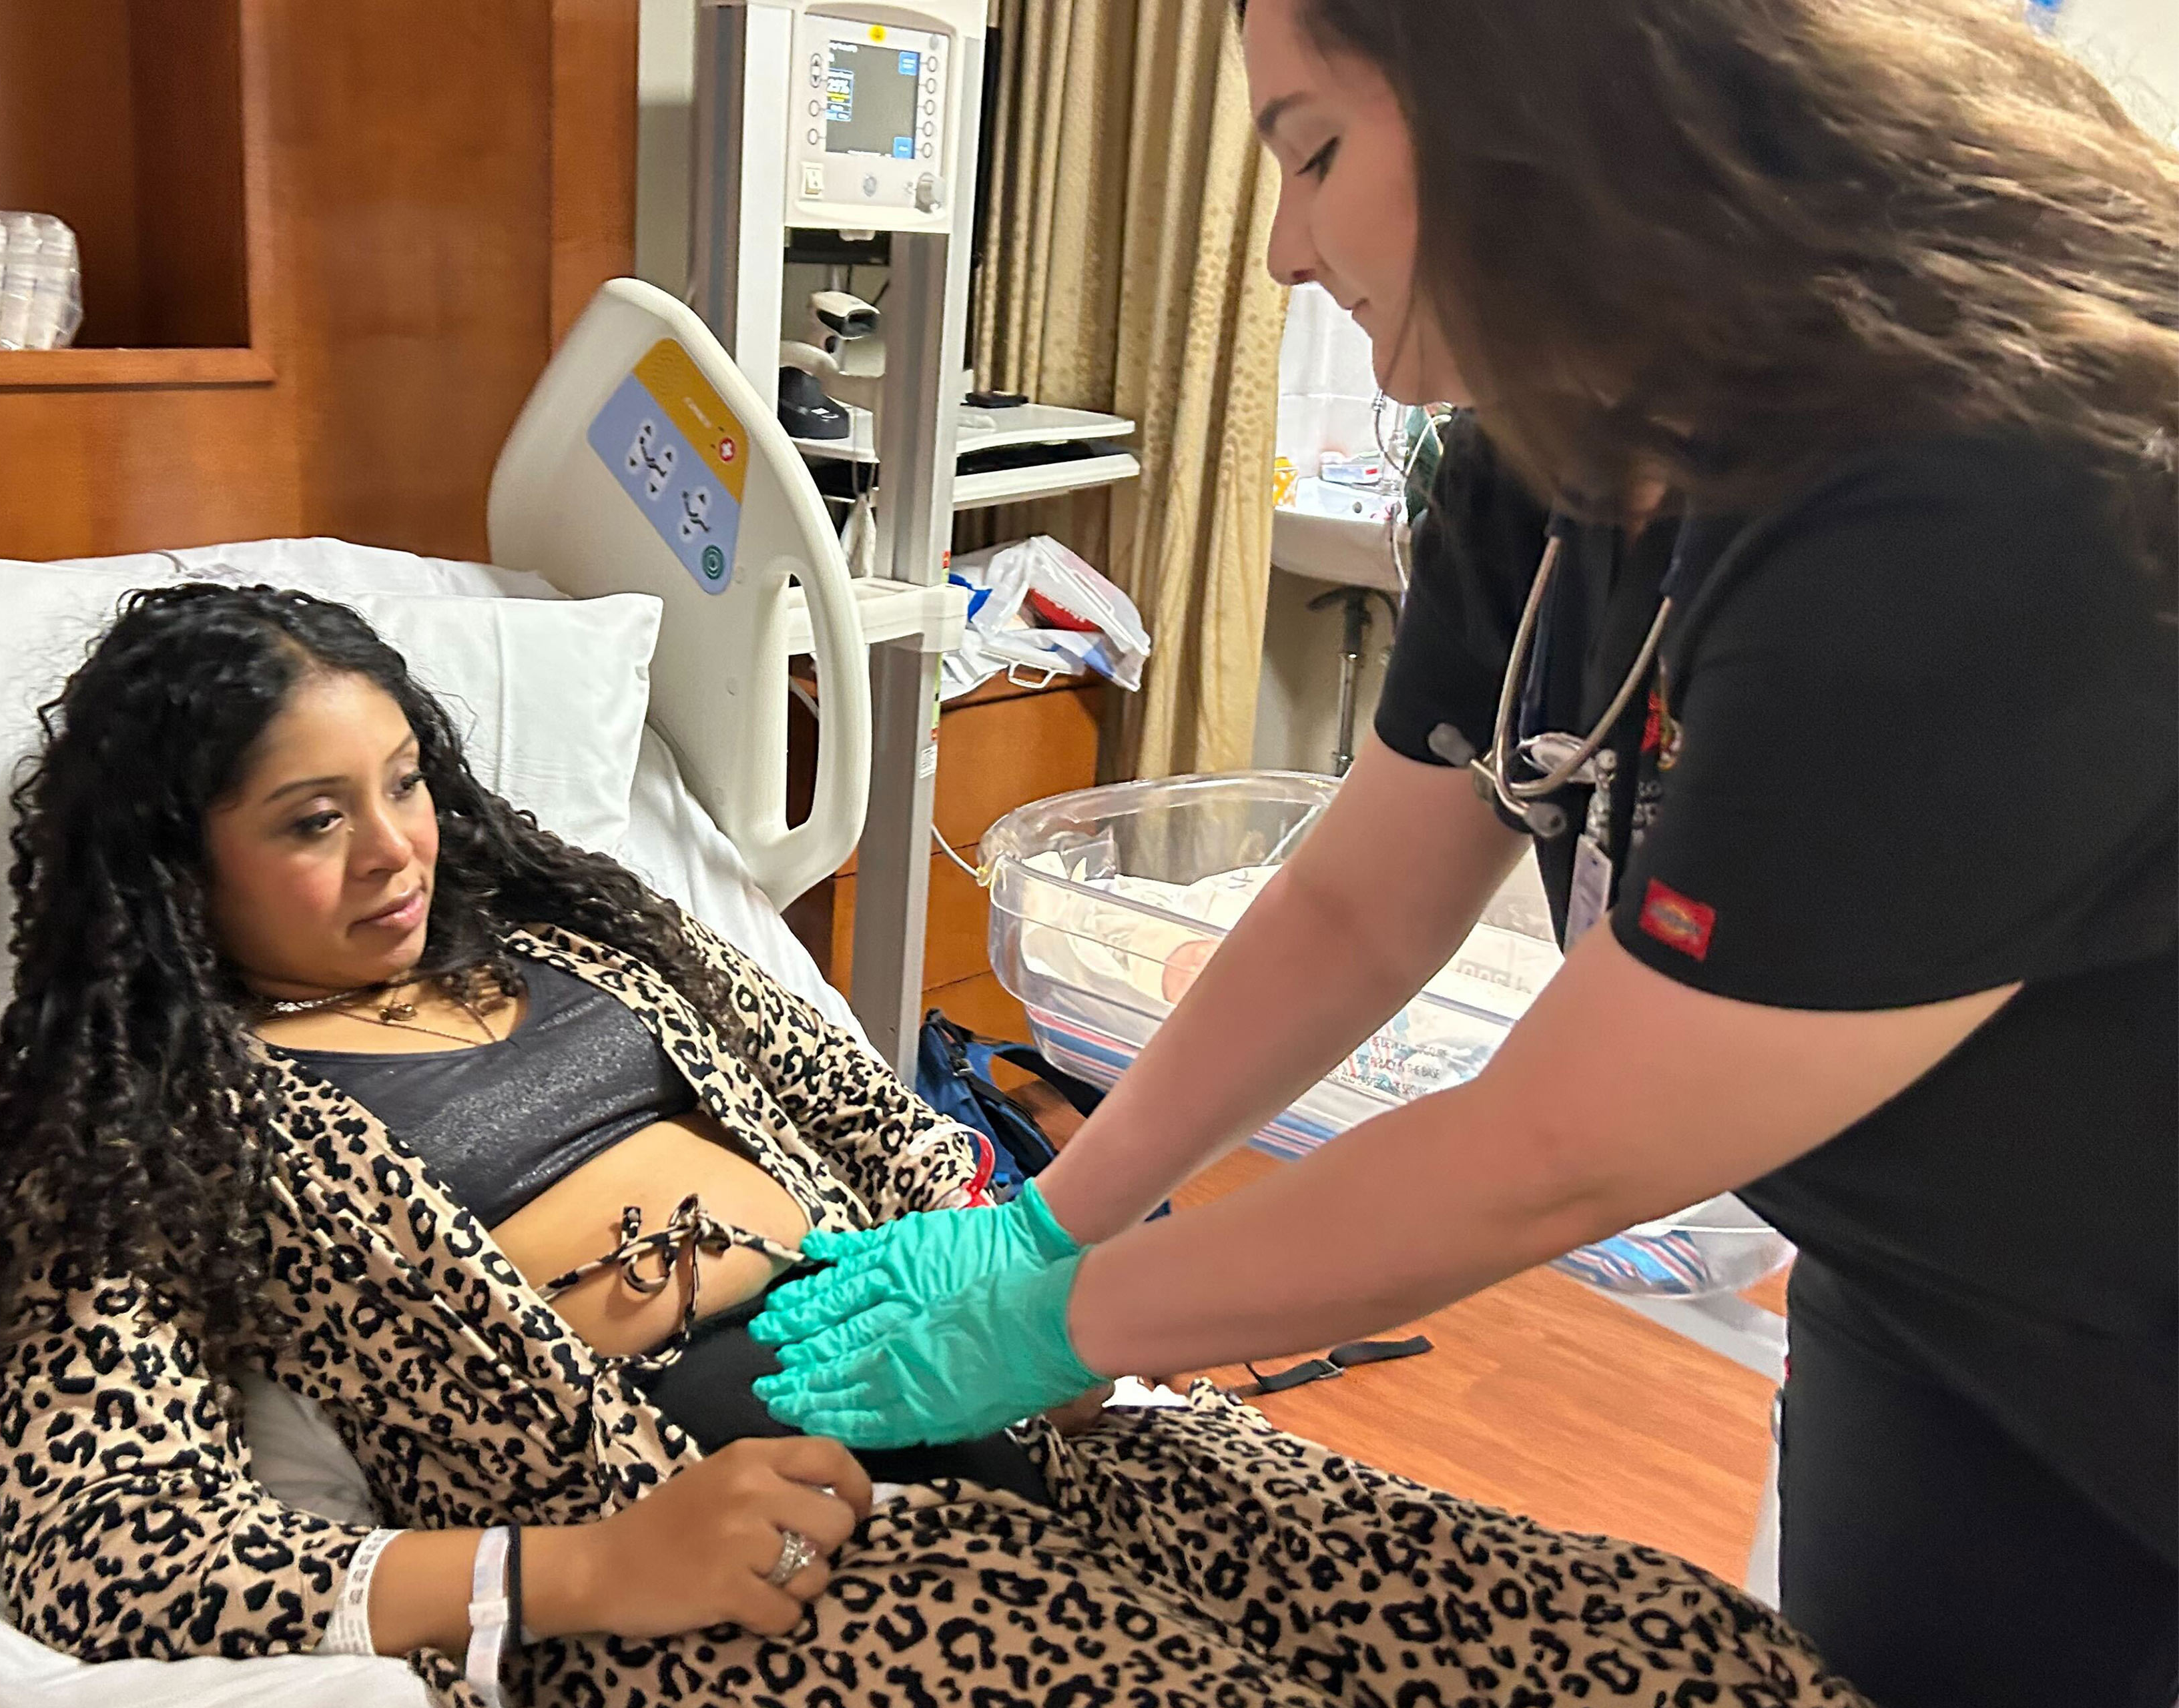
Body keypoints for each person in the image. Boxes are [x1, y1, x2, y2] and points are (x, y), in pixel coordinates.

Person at [749, 4, 2179, 1707]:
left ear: (1541, 93)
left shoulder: (1995, 483)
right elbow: (1362, 900)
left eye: (1313, 151)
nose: (1282, 250)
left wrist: (1064, 1324)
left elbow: (1558, 1148)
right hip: (1927, 1289)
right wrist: (1054, 1218)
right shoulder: (1551, 447)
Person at [0, 585, 1865, 1707]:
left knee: (1620, 1641)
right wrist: (582, 1571)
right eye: (310, 823)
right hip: (749, 1554)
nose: (393, 853)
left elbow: (880, 1144)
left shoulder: (585, 947)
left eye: (402, 782)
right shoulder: (150, 1134)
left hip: (1033, 1408)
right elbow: (118, 1552)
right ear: (171, 871)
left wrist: (1046, 1306)